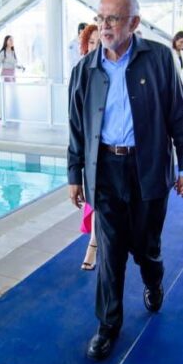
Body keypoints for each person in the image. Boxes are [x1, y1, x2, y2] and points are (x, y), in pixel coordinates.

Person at [67, 0, 183, 362]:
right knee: (109, 252)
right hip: (105, 170)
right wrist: (75, 173)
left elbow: (179, 115)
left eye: (113, 19)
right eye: (101, 18)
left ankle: (154, 279)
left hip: (148, 167)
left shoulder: (157, 58)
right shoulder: (85, 69)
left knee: (145, 247)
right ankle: (107, 326)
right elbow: (77, 126)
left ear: (134, 23)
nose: (104, 26)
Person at [75, 22, 101, 271]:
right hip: (91, 153)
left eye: (99, 43)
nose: (95, 47)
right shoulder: (81, 72)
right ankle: (93, 244)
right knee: (95, 202)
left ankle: (96, 244)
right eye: (91, 43)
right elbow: (75, 123)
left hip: (115, 150)